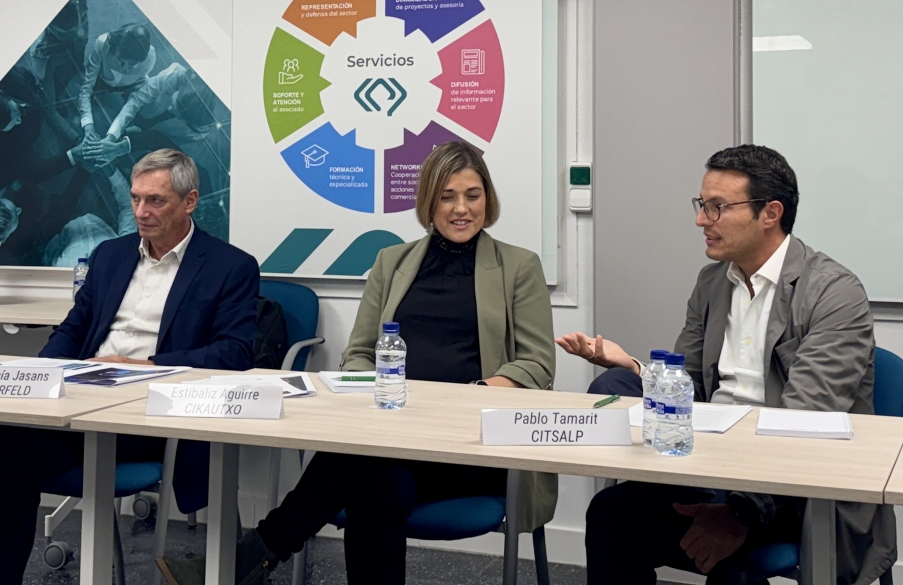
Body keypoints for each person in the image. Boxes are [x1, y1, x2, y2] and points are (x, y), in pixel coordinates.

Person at [158, 141, 558, 585]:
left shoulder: (518, 266)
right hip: (393, 436)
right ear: (428, 201)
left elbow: (537, 363)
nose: (461, 208)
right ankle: (250, 563)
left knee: (354, 463)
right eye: (447, 196)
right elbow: (360, 353)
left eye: (472, 195)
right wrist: (377, 396)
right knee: (375, 487)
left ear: (488, 199)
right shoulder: (393, 262)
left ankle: (248, 561)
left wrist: (465, 400)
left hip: (470, 445)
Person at [558, 145, 895, 585]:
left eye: (717, 207)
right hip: (713, 465)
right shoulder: (713, 282)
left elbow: (804, 422)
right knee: (611, 512)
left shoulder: (834, 292)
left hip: (796, 490)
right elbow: (691, 388)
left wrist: (739, 515)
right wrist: (638, 370)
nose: (702, 220)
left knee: (730, 567)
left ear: (770, 213)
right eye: (702, 205)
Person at [0, 149, 260, 585]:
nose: (141, 211)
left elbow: (234, 352)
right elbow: (74, 327)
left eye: (155, 201)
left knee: (14, 454)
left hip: (151, 412)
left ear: (190, 201)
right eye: (136, 198)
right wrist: (40, 378)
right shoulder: (110, 255)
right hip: (81, 396)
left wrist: (144, 364)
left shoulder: (229, 266)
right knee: (15, 444)